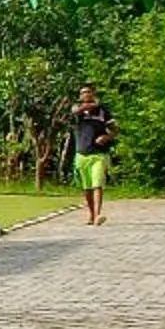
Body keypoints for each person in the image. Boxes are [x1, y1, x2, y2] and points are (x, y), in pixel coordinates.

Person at [68, 84, 117, 225]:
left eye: (89, 92)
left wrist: (106, 137)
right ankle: (91, 213)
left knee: (97, 184)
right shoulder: (76, 110)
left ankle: (97, 215)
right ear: (80, 96)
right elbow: (74, 114)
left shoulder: (103, 111)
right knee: (87, 187)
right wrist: (87, 107)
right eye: (83, 93)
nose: (86, 95)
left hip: (99, 154)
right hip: (82, 153)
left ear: (94, 94)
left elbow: (114, 130)